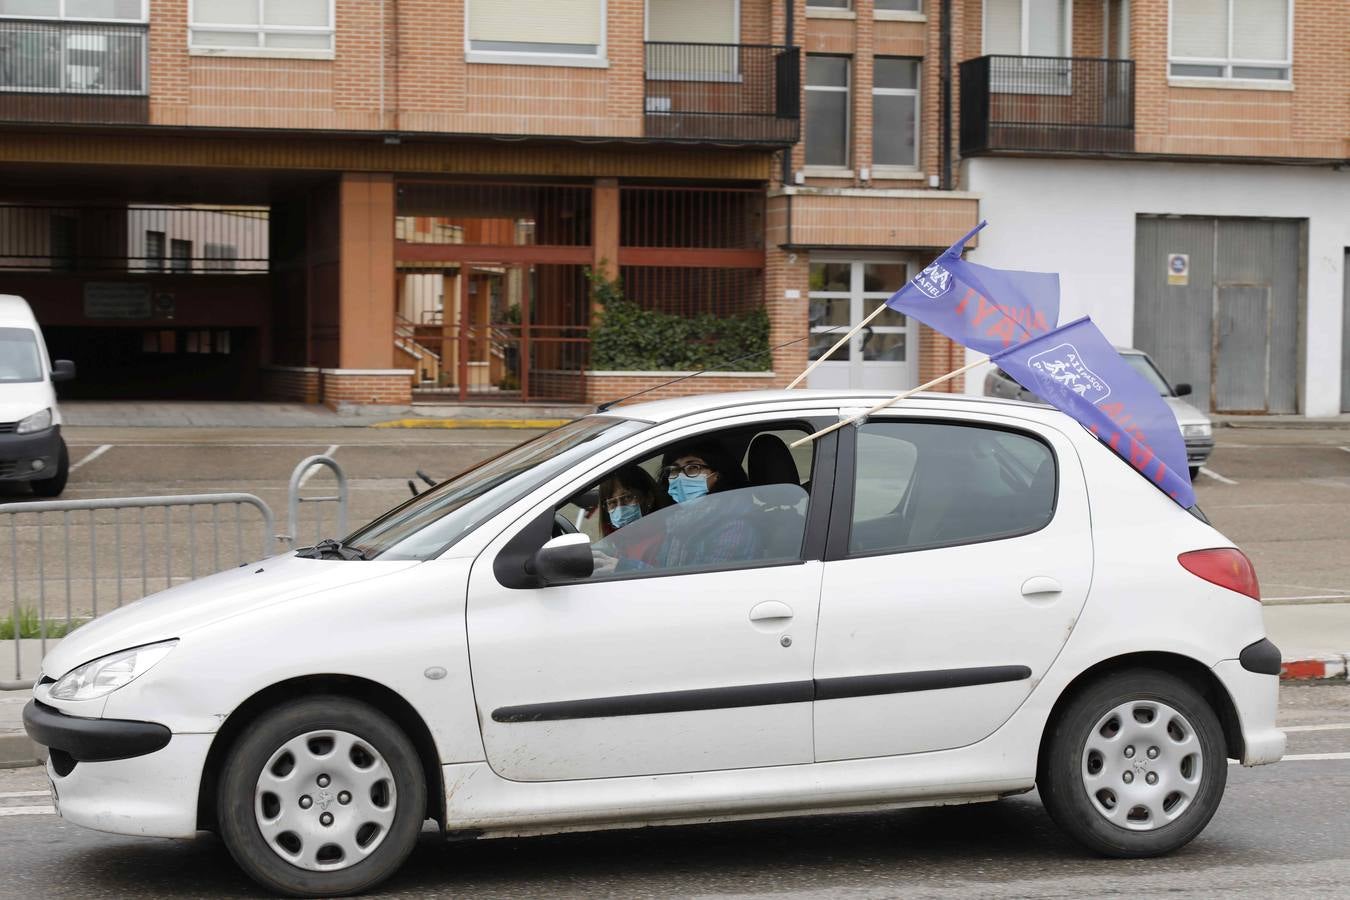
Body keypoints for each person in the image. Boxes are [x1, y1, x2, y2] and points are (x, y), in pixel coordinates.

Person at [647, 442, 761, 570]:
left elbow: (699, 583)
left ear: (717, 475)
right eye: (674, 470)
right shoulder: (677, 521)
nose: (680, 477)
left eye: (693, 467)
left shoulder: (735, 527)